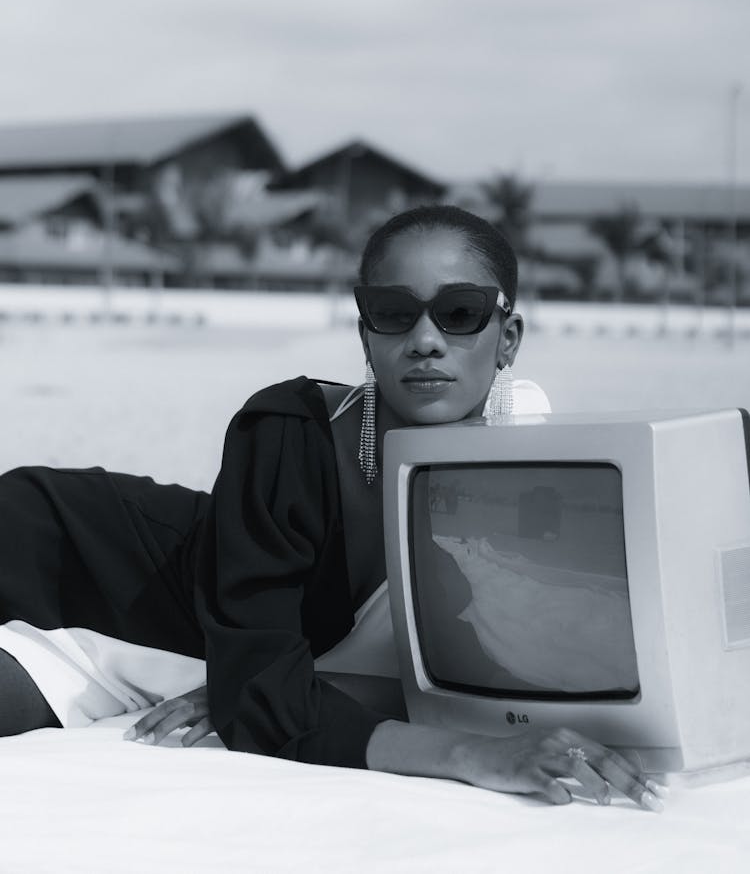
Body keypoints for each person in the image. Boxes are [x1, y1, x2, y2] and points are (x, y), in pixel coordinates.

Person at [0, 205, 664, 812]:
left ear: (509, 336)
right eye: (394, 312)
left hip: (197, 658)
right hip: (79, 591)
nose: (426, 339)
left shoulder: (534, 463)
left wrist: (298, 691)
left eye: (460, 312)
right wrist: (469, 753)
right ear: (365, 333)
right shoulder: (292, 432)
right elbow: (262, 690)